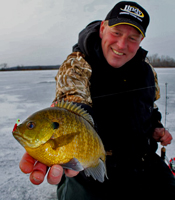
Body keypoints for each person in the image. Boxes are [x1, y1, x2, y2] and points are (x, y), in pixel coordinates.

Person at [19, 1, 175, 199]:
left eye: (133, 38)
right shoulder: (78, 64)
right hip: (90, 167)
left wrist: (157, 128)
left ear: (141, 40)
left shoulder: (147, 70)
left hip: (141, 162)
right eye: (116, 33)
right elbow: (74, 101)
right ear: (102, 28)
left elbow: (150, 109)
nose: (121, 45)